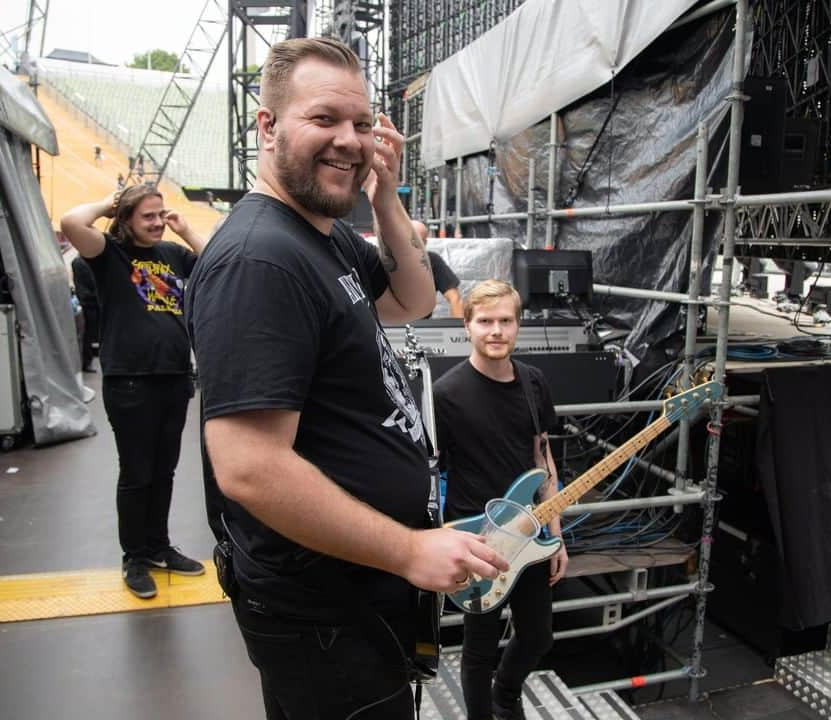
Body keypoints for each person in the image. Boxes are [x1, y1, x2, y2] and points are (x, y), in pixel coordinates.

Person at [186, 37, 507, 720]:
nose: (349, 139)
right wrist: (409, 549)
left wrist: (384, 197)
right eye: (324, 119)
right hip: (322, 612)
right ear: (267, 127)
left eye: (362, 124)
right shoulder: (259, 261)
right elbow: (248, 467)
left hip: (361, 595)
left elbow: (413, 298)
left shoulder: (321, 234)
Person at [60, 184, 207, 600]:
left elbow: (217, 259)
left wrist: (185, 229)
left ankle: (159, 546)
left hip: (175, 377)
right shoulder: (108, 255)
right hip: (130, 381)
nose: (158, 222)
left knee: (165, 471)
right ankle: (135, 556)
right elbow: (72, 222)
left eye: (161, 214)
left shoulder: (174, 255)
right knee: (137, 472)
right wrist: (107, 203)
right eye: (149, 216)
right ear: (125, 219)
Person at [434, 279, 568, 720]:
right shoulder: (446, 394)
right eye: (485, 321)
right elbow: (430, 475)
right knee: (478, 650)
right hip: (478, 539)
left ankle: (506, 695)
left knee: (537, 637)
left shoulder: (533, 383)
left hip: (528, 533)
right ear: (467, 326)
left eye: (505, 321)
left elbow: (542, 457)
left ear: (518, 325)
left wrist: (557, 533)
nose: (496, 330)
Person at [411, 219, 463, 318]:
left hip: (420, 326)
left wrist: (458, 331)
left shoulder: (431, 261)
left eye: (420, 241)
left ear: (425, 242)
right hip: (386, 324)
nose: (413, 244)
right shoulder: (384, 260)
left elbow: (455, 298)